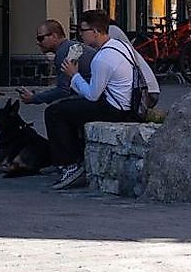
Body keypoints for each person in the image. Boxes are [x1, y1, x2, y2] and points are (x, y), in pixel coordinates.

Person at [44, 16, 153, 191]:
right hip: (129, 105)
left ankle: (69, 164)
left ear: (95, 32)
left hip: (115, 109)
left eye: (83, 31)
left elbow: (92, 95)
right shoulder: (121, 46)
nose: (80, 36)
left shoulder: (102, 59)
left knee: (54, 112)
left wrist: (74, 75)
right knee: (68, 107)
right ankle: (74, 157)